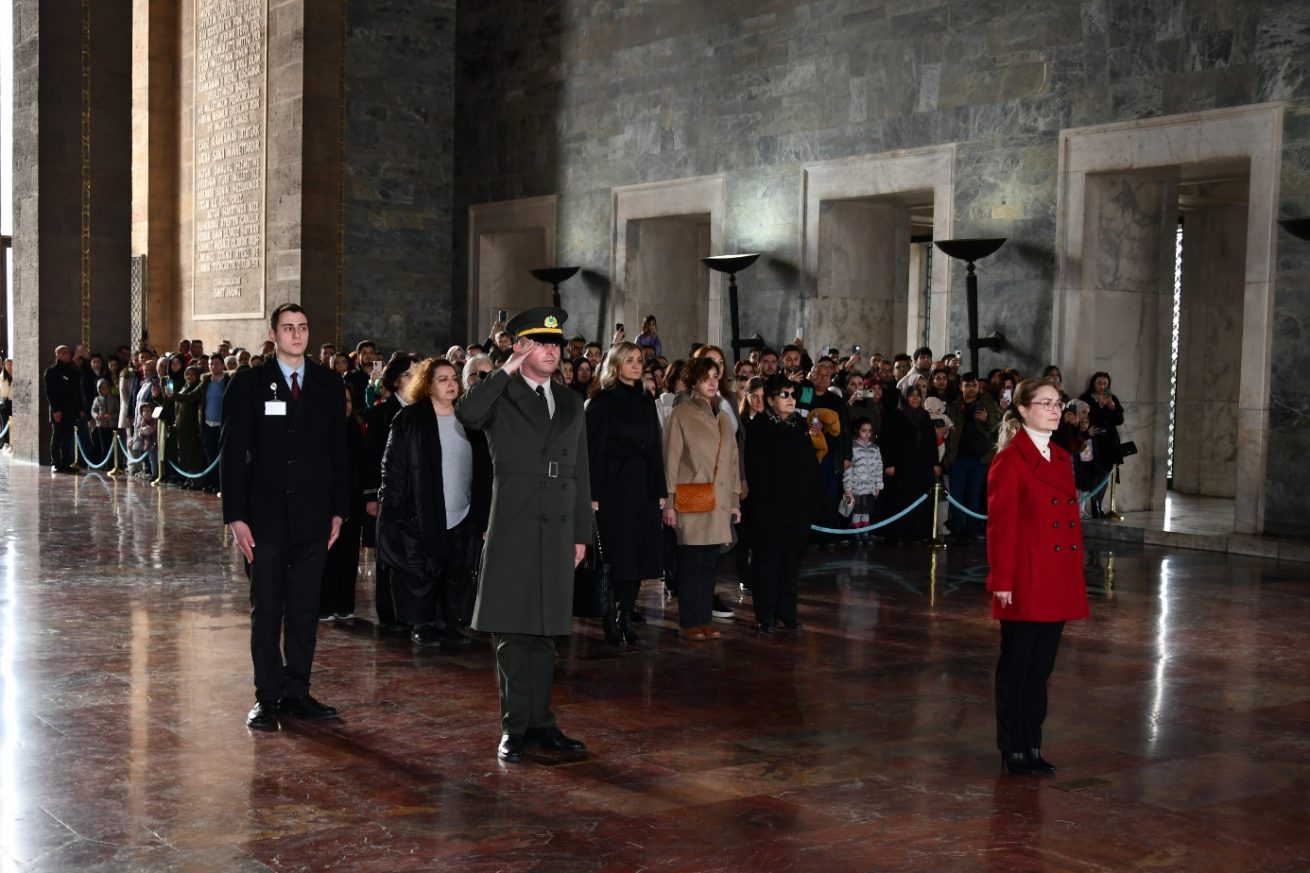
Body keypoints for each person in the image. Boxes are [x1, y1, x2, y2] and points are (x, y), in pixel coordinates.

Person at [457, 306, 591, 764]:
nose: (552, 351)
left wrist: (580, 533)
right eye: (540, 343)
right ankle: (514, 729)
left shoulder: (572, 401)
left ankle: (542, 724)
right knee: (514, 633)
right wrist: (504, 370)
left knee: (546, 631)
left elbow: (581, 472)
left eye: (556, 344)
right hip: (514, 523)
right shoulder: (500, 394)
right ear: (520, 347)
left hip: (557, 526)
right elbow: (468, 414)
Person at [221, 303, 348, 730]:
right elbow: (232, 452)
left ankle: (298, 691)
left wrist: (338, 510)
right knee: (267, 610)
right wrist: (236, 516)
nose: (297, 334)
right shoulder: (251, 383)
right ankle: (267, 696)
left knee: (305, 609)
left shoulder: (329, 384)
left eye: (303, 327)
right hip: (264, 519)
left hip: (313, 517)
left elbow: (338, 453)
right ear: (274, 334)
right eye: (288, 328)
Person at [987, 377, 1089, 775]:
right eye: (1045, 403)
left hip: (1056, 578)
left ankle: (1033, 744)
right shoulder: (1010, 460)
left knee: (1041, 669)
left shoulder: (1061, 457)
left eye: (1057, 403)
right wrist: (1003, 582)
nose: (1054, 409)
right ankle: (1012, 746)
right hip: (1026, 580)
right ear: (1024, 409)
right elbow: (1001, 527)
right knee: (1017, 667)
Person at [378, 357, 489, 648]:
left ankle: (447, 623)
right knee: (422, 571)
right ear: (427, 385)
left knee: (456, 570)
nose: (451, 384)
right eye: (443, 379)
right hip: (422, 511)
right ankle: (423, 624)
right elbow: (394, 468)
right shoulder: (410, 419)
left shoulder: (470, 419)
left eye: (454, 378)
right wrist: (394, 508)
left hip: (462, 510)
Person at [586, 342, 665, 646]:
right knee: (613, 557)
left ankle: (627, 615)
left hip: (642, 488)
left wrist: (659, 489)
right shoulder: (602, 402)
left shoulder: (646, 400)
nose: (635, 365)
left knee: (637, 556)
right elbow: (592, 453)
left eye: (639, 360)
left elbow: (655, 447)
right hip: (612, 490)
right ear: (616, 365)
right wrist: (592, 494)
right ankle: (608, 616)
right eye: (629, 360)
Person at [661, 357, 741, 641]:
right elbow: (669, 461)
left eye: (715, 377)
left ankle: (704, 619)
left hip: (718, 502)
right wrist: (669, 502)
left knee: (709, 565)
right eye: (706, 377)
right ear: (694, 381)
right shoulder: (680, 414)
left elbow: (732, 462)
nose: (711, 382)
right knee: (691, 564)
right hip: (691, 500)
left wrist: (734, 501)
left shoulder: (722, 417)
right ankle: (689, 621)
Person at [744, 375, 819, 633]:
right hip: (770, 507)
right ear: (771, 399)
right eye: (784, 394)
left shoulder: (799, 423)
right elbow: (757, 471)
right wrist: (762, 508)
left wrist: (810, 501)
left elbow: (809, 464)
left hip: (797, 507)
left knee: (791, 563)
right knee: (768, 562)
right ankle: (765, 615)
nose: (791, 399)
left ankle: (787, 613)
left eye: (793, 395)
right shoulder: (760, 426)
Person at [362, 351, 422, 631]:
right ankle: (389, 614)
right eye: (409, 374)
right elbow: (373, 457)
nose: (414, 379)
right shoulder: (380, 413)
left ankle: (412, 611)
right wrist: (372, 495)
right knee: (388, 554)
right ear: (396, 380)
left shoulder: (424, 411)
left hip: (417, 495)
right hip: (387, 494)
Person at [319, 383, 367, 622]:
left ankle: (344, 603)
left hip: (352, 503)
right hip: (326, 504)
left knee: (348, 557)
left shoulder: (356, 430)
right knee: (326, 557)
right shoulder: (320, 432)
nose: (344, 406)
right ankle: (324, 604)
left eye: (348, 401)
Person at [877, 384, 940, 544]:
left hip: (922, 467)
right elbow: (888, 442)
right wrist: (889, 463)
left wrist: (935, 463)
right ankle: (901, 535)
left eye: (918, 395)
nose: (915, 398)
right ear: (905, 397)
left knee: (921, 499)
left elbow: (931, 441)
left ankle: (920, 534)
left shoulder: (924, 416)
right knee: (902, 499)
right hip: (902, 466)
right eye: (911, 395)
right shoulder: (895, 415)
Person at [943, 372, 1001, 540]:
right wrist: (946, 456)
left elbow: (998, 429)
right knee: (956, 495)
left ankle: (973, 528)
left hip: (979, 458)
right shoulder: (954, 406)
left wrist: (987, 418)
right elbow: (948, 433)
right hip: (958, 458)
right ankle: (959, 528)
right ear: (961, 387)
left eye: (974, 385)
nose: (971, 389)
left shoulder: (987, 403)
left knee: (974, 494)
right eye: (967, 385)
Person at [1079, 372, 1125, 517]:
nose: (1102, 386)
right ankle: (1092, 503)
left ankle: (1098, 504)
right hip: (1094, 440)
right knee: (1094, 473)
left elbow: (1119, 420)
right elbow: (1089, 418)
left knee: (1106, 472)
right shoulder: (1086, 398)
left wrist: (1111, 407)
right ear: (1093, 383)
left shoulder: (1112, 399)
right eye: (1099, 383)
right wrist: (1099, 406)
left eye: (1105, 383)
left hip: (1109, 442)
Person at [44, 345, 84, 473]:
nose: (68, 355)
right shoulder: (51, 371)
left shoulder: (73, 371)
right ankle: (56, 462)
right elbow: (50, 393)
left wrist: (80, 408)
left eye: (68, 353)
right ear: (58, 355)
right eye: (65, 353)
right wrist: (56, 410)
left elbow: (78, 391)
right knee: (58, 436)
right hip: (59, 410)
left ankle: (66, 462)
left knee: (68, 437)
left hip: (71, 410)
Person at [843, 418, 884, 530]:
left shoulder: (875, 448)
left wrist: (878, 486)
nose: (867, 434)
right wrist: (848, 488)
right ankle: (856, 532)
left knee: (866, 511)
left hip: (869, 487)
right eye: (864, 430)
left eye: (869, 431)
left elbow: (878, 468)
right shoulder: (852, 447)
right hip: (855, 488)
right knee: (856, 511)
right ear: (857, 431)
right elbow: (848, 470)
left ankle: (865, 532)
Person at [198, 355, 229, 492]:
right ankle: (213, 482)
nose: (213, 366)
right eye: (211, 364)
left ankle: (222, 484)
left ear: (222, 365)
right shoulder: (205, 382)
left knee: (222, 457)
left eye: (216, 364)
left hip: (222, 426)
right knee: (210, 456)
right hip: (207, 425)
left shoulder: (228, 381)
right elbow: (192, 396)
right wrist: (173, 395)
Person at [0, 358, 13, 449]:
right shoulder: (1, 377)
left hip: (14, 402)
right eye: (7, 364)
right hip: (4, 402)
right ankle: (5, 443)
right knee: (5, 422)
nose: (9, 366)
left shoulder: (16, 376)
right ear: (4, 366)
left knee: (14, 423)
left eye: (10, 364)